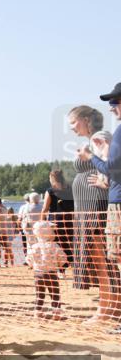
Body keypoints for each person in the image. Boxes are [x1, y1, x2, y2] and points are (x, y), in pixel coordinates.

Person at [70, 105, 119, 320]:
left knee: (102, 259)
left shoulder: (100, 137)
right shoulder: (93, 139)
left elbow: (112, 166)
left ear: (86, 120)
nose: (71, 127)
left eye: (73, 122)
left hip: (95, 205)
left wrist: (105, 181)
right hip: (87, 204)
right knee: (98, 258)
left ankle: (108, 308)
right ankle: (108, 306)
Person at [26, 221, 68, 320]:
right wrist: (60, 265)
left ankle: (37, 312)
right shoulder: (54, 245)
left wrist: (32, 265)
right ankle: (56, 313)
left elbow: (28, 259)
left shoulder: (35, 246)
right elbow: (63, 258)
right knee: (54, 294)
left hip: (38, 274)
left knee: (39, 295)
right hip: (51, 274)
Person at [41, 169, 75, 272]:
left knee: (56, 245)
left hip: (54, 223)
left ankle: (61, 270)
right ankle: (71, 267)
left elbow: (45, 208)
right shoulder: (70, 189)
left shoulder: (50, 191)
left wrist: (42, 223)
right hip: (69, 221)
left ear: (52, 178)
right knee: (68, 244)